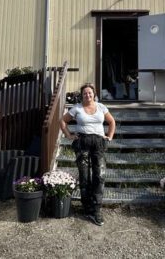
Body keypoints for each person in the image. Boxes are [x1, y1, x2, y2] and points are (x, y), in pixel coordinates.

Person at [60, 83, 116, 226]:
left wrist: (109, 136)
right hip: (82, 143)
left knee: (99, 176)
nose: (87, 95)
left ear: (94, 94)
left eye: (90, 93)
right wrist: (69, 135)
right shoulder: (77, 108)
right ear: (82, 95)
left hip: (98, 143)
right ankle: (87, 207)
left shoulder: (101, 107)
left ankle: (97, 209)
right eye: (85, 93)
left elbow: (111, 121)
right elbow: (63, 121)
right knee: (84, 177)